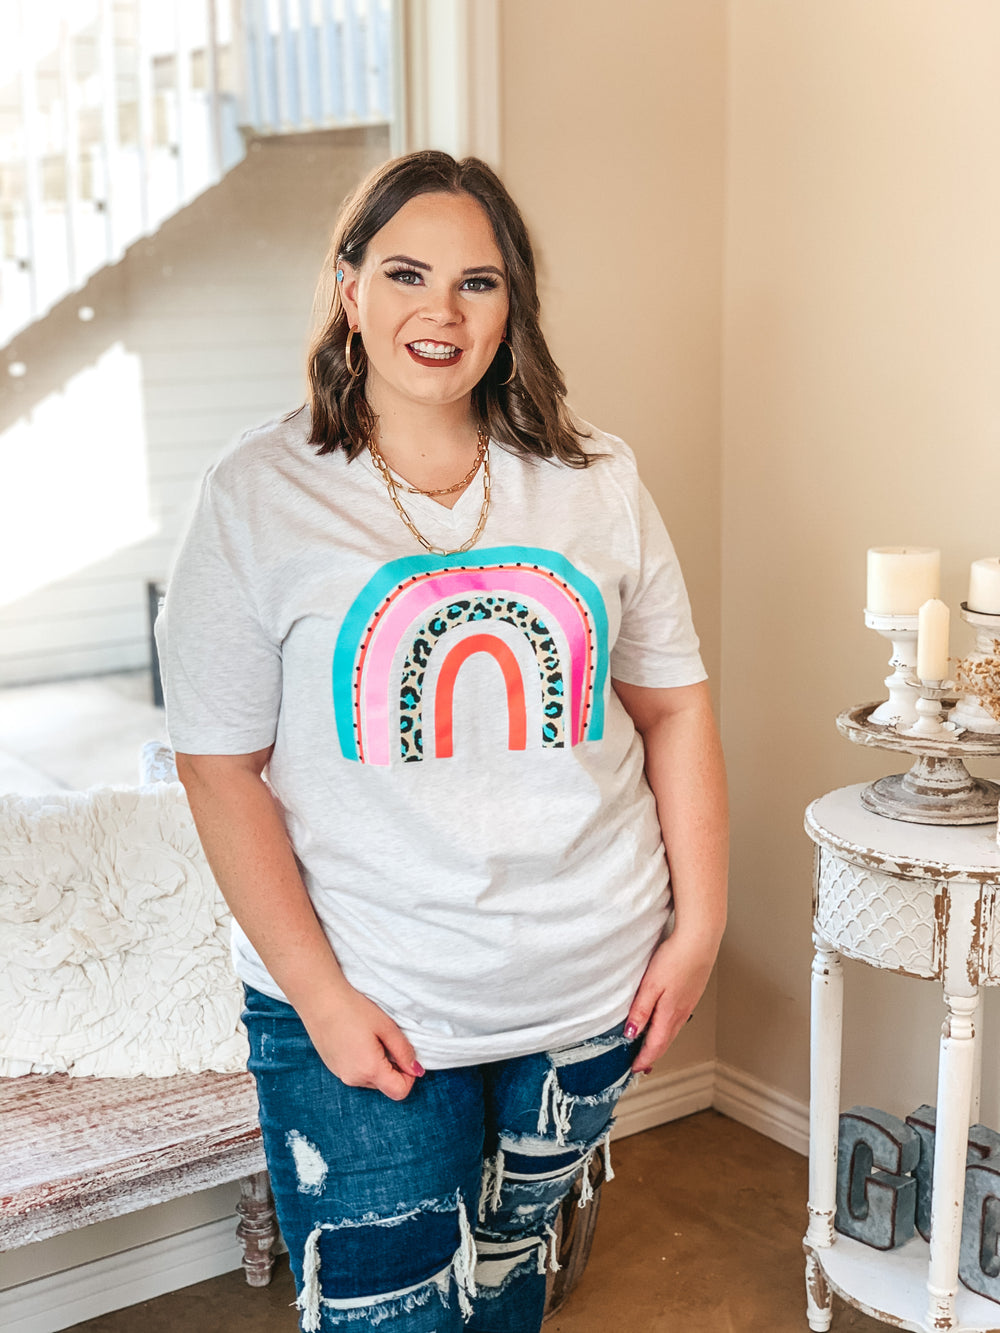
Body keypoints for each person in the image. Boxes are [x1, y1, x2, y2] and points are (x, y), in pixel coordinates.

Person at [156, 150, 728, 1333]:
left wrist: (701, 927)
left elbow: (672, 706)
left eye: (480, 282)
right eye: (409, 271)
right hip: (369, 998)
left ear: (512, 309)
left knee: (511, 1292)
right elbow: (220, 768)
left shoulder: (594, 480)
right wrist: (316, 997)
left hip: (586, 990)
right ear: (349, 286)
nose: (442, 309)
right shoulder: (259, 493)